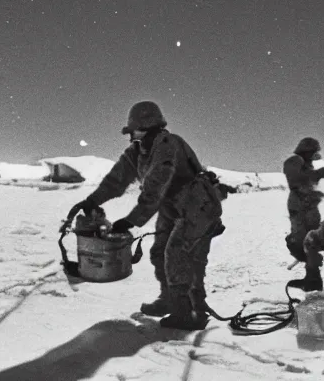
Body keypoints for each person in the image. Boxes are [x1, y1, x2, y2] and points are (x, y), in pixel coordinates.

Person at [70, 100, 226, 330]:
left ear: (145, 128)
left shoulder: (167, 145)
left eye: (134, 130)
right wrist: (92, 200)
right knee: (158, 252)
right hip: (172, 208)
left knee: (179, 255)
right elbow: (116, 179)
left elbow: (155, 186)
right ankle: (168, 300)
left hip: (197, 207)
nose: (131, 136)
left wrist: (131, 220)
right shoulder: (137, 152)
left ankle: (188, 312)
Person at [282, 137, 324, 288]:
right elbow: (295, 180)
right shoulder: (295, 161)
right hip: (300, 208)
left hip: (309, 208)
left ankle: (313, 277)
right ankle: (312, 276)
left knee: (311, 241)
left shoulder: (305, 164)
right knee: (299, 241)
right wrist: (316, 175)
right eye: (313, 152)